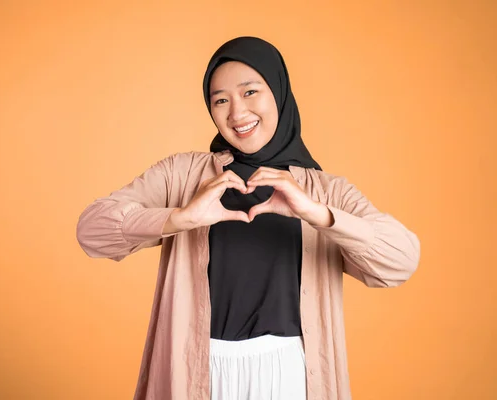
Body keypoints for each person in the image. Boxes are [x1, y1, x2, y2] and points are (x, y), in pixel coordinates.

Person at [76, 36, 420, 400]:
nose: (237, 113)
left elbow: (400, 261)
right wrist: (179, 218)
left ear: (279, 93)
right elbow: (92, 230)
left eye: (250, 92)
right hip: (197, 372)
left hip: (293, 375)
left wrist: (316, 214)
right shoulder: (182, 175)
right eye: (220, 100)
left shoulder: (324, 191)